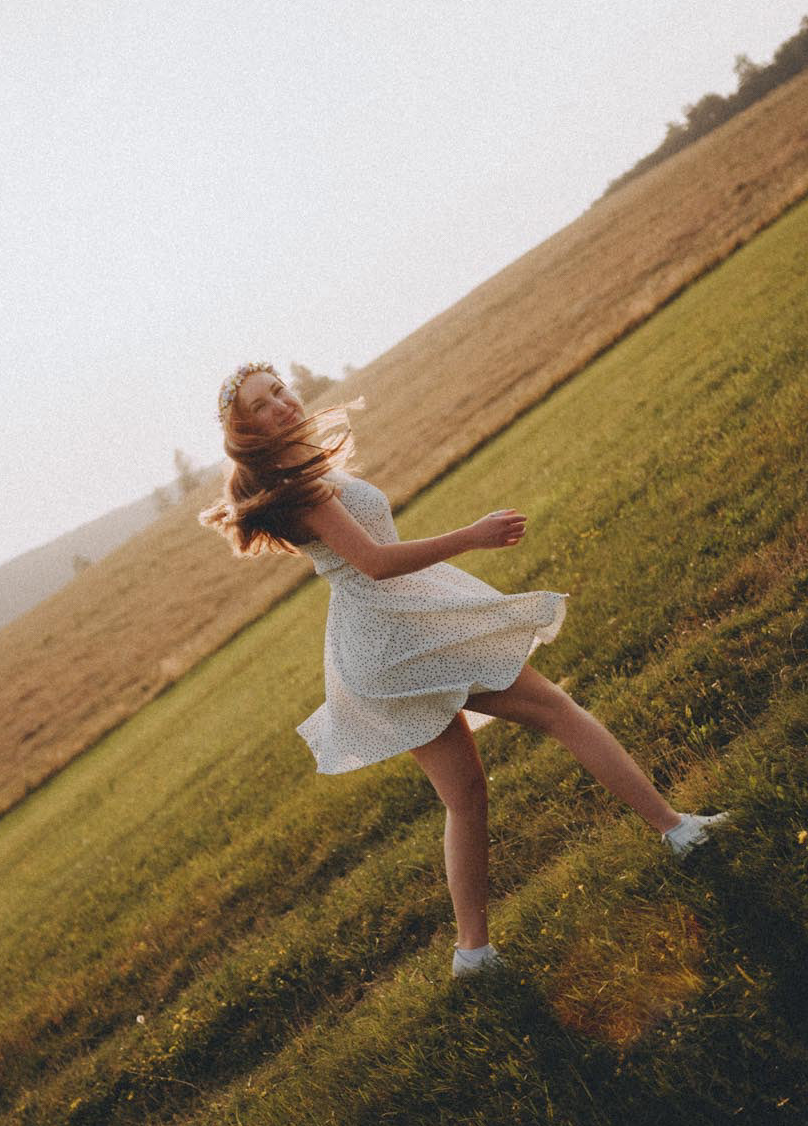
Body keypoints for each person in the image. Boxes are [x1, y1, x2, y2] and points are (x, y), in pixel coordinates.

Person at [198, 362, 730, 981]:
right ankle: (677, 832)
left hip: (392, 634)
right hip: (395, 637)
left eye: (280, 390)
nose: (282, 404)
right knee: (549, 718)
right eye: (262, 405)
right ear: (247, 431)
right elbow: (374, 562)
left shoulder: (303, 472)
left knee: (468, 795)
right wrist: (472, 536)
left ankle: (473, 955)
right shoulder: (296, 489)